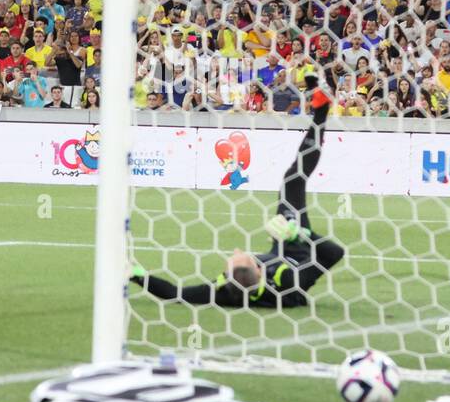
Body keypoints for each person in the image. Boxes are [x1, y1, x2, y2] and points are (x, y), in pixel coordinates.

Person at [129, 78, 344, 308]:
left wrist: (137, 275)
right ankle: (320, 112)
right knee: (294, 180)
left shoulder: (226, 290)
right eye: (243, 257)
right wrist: (299, 234)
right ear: (258, 270)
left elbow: (178, 294)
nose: (237, 250)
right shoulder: (289, 282)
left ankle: (320, 108)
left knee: (293, 180)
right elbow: (334, 254)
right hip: (299, 247)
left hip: (281, 246)